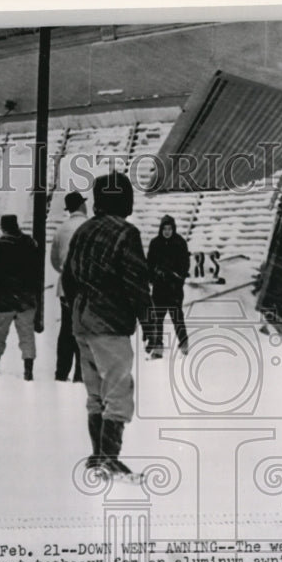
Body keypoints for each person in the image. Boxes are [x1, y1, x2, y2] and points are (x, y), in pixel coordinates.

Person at [61, 171, 150, 480]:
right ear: (124, 199)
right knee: (118, 392)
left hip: (81, 322)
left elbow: (68, 279)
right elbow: (137, 285)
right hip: (109, 324)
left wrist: (79, 308)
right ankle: (110, 459)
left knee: (95, 393)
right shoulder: (127, 233)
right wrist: (150, 326)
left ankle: (98, 456)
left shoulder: (83, 231)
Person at [0, 214, 44, 380]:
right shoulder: (31, 244)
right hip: (26, 299)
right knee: (27, 335)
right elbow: (38, 274)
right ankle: (28, 371)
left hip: (4, 298)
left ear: (3, 227)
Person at [49, 191, 87, 382]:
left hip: (65, 287)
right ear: (81, 206)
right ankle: (80, 374)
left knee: (66, 329)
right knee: (84, 330)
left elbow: (54, 261)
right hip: (85, 287)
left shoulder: (61, 229)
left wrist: (65, 271)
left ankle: (61, 372)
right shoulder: (89, 227)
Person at [145, 214, 190, 359]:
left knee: (177, 317)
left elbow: (185, 264)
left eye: (170, 229)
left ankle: (184, 344)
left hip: (174, 288)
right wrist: (152, 277)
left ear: (174, 229)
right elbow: (149, 264)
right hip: (159, 288)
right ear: (160, 229)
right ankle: (158, 348)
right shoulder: (155, 243)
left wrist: (178, 277)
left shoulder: (180, 242)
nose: (167, 232)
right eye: (164, 229)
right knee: (157, 318)